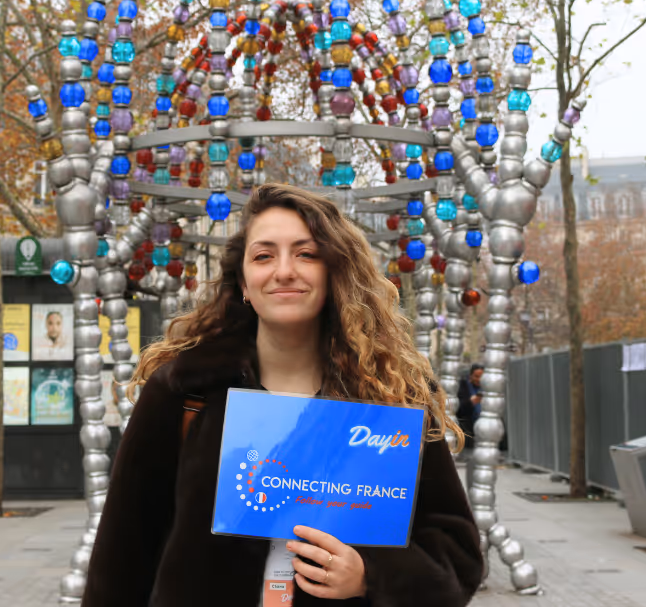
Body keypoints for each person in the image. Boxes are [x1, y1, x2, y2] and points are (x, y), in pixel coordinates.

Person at [83, 184, 482, 607]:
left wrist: (372, 574)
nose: (285, 271)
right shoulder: (184, 392)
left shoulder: (393, 397)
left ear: (333, 272)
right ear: (243, 282)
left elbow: (458, 557)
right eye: (264, 255)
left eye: (306, 254)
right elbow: (122, 555)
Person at [456, 363, 484, 451]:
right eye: (476, 376)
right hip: (468, 428)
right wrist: (470, 402)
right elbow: (458, 409)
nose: (479, 380)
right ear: (470, 376)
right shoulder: (463, 387)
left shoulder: (486, 387)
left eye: (481, 377)